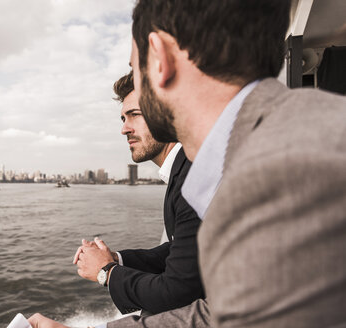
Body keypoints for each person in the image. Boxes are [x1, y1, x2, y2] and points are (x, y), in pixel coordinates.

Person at [28, 0, 346, 327]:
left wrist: (107, 273)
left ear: (159, 58)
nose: (124, 126)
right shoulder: (277, 141)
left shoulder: (279, 171)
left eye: (135, 67)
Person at [72, 71, 204, 315]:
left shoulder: (193, 174)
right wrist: (115, 259)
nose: (124, 129)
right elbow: (179, 251)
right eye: (123, 118)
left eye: (134, 115)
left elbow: (176, 293)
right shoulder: (184, 169)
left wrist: (106, 272)